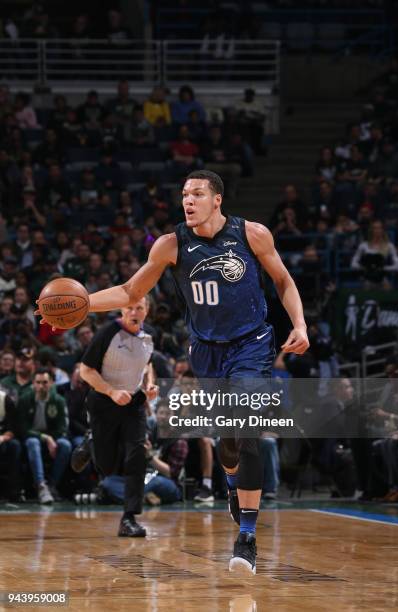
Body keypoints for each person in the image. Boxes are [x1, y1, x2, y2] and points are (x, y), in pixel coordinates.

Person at [37, 170, 309, 575]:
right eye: (184, 194)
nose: (188, 200)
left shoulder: (252, 234)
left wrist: (300, 324)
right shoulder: (171, 244)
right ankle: (234, 486)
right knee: (229, 446)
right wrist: (80, 306)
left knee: (247, 432)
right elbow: (131, 292)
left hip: (251, 345)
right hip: (206, 353)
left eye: (197, 193)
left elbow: (284, 281)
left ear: (217, 199)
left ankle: (247, 537)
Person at [77, 298, 158, 538]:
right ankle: (91, 444)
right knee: (107, 465)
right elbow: (85, 370)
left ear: (147, 310)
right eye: (130, 308)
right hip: (104, 401)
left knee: (137, 453)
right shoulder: (107, 333)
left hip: (133, 403)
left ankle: (129, 518)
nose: (134, 312)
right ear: (122, 310)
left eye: (139, 308)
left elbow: (148, 362)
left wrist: (150, 385)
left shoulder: (150, 335)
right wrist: (111, 392)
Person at [17, 368, 72, 504]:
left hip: (53, 438)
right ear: (33, 383)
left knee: (66, 445)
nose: (41, 386)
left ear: (52, 383)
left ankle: (51, 485)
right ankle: (41, 486)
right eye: (38, 382)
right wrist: (45, 438)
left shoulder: (58, 400)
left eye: (45, 382)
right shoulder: (25, 399)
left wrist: (50, 438)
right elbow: (23, 429)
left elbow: (63, 428)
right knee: (33, 442)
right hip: (33, 438)